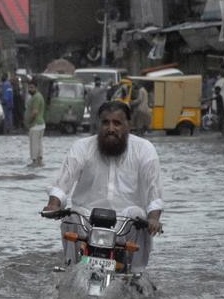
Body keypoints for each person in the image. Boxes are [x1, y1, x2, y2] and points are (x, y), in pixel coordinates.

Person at [42, 101, 164, 272]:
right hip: (87, 219)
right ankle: (71, 270)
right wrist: (53, 205)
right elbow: (63, 182)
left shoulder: (144, 149)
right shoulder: (81, 147)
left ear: (128, 125)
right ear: (98, 124)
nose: (111, 128)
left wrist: (153, 219)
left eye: (117, 123)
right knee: (71, 216)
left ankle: (136, 274)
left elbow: (154, 192)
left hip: (126, 223)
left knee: (139, 216)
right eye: (106, 122)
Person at [25, 79, 46, 166]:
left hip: (35, 124)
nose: (29, 89)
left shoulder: (36, 97)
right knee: (39, 143)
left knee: (34, 144)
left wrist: (29, 121)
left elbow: (35, 112)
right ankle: (39, 161)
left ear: (36, 88)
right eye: (29, 87)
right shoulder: (37, 96)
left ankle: (34, 161)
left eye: (31, 87)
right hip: (40, 124)